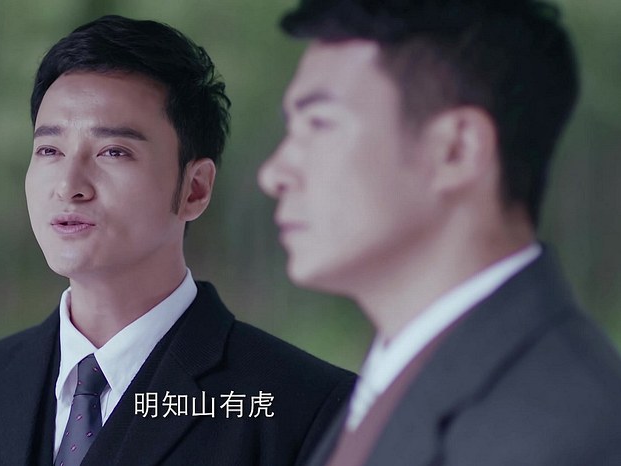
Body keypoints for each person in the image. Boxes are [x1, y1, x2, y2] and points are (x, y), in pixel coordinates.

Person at [0, 14, 356, 466]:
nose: (69, 186)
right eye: (49, 150)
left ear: (194, 189)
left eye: (114, 152)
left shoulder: (308, 410)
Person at [258, 0, 621, 465]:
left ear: (456, 150)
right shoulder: (396, 382)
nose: (274, 174)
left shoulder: (560, 431)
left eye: (319, 124)